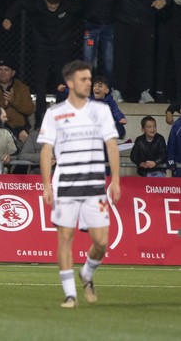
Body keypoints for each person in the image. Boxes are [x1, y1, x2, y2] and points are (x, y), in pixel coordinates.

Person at [38, 60, 121, 309]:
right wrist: (46, 185)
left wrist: (115, 179)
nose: (89, 83)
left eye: (89, 79)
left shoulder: (101, 111)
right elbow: (46, 151)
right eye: (84, 79)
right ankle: (70, 294)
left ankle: (86, 273)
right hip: (65, 183)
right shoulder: (54, 113)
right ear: (71, 83)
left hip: (94, 184)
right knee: (65, 237)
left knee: (101, 242)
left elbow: (112, 145)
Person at [3, 0, 86, 127]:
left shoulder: (66, 5)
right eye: (50, 4)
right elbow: (20, 3)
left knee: (62, 83)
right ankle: (39, 118)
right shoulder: (37, 5)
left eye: (56, 4)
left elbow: (78, 8)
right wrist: (8, 17)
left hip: (62, 47)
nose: (53, 7)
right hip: (42, 46)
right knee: (41, 82)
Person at [112, 0, 167, 103]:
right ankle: (116, 90)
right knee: (121, 58)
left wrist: (164, 1)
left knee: (146, 59)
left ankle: (145, 91)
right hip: (124, 21)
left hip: (146, 24)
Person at [82, 0, 119, 97]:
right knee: (88, 61)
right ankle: (88, 91)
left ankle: (108, 91)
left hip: (109, 24)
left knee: (109, 61)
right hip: (92, 24)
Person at [0, 57, 35, 139]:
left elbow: (29, 109)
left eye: (6, 69)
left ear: (13, 73)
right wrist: (3, 104)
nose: (3, 72)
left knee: (23, 136)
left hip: (18, 126)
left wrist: (13, 101)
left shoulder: (22, 88)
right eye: (0, 69)